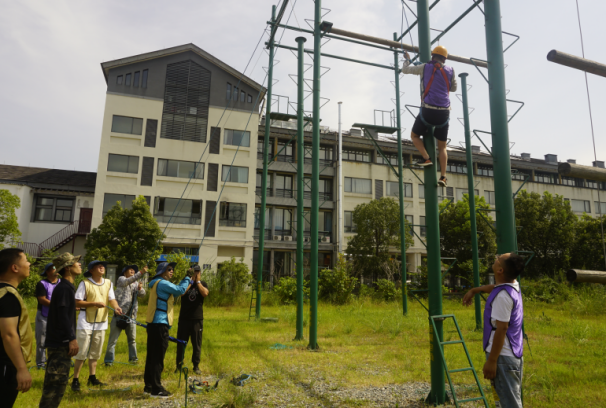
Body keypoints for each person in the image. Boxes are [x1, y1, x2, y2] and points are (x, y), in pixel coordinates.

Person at [462, 253, 525, 408]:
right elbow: (496, 288)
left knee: (509, 404)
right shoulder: (511, 286)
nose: (495, 259)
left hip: (502, 357)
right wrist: (475, 290)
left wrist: (492, 361)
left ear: (500, 270)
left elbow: (502, 328)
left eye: (498, 259)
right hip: (509, 355)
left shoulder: (503, 297)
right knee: (504, 401)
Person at [401, 45, 457, 187]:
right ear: (445, 58)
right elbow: (454, 88)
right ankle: (443, 177)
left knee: (414, 135)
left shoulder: (424, 67)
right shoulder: (450, 70)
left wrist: (407, 60)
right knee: (442, 147)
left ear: (432, 56)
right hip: (444, 113)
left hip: (428, 110)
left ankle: (426, 158)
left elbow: (405, 70)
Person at [72, 260, 122, 391]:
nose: (102, 267)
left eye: (103, 266)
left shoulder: (108, 283)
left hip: (101, 322)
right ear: (91, 270)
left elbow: (111, 299)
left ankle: (92, 378)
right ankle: (75, 380)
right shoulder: (85, 283)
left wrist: (116, 307)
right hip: (85, 322)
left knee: (95, 352)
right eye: (98, 266)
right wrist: (93, 303)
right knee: (81, 352)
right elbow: (77, 302)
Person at [39, 252, 82, 408]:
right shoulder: (64, 288)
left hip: (61, 342)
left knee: (59, 384)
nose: (79, 264)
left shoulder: (67, 287)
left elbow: (62, 312)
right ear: (68, 268)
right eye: (76, 263)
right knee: (54, 386)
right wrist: (71, 338)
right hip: (59, 343)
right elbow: (63, 315)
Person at [144, 262, 191, 398]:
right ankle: (156, 388)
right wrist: (187, 277)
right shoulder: (163, 283)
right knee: (158, 357)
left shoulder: (155, 283)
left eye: (172, 270)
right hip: (160, 324)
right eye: (169, 269)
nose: (172, 271)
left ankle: (148, 386)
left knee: (151, 357)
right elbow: (180, 291)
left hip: (153, 324)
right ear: (162, 271)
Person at [0, 248, 33, 408]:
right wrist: (21, 369)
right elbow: (9, 335)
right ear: (14, 267)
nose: (29, 263)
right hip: (5, 366)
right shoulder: (8, 296)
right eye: (26, 260)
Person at [103, 265, 147, 366]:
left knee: (132, 340)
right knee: (112, 341)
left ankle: (133, 360)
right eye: (130, 269)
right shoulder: (121, 279)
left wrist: (140, 289)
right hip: (119, 315)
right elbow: (129, 280)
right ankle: (109, 362)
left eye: (134, 270)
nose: (132, 271)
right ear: (124, 272)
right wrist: (140, 272)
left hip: (131, 317)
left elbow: (143, 295)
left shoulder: (135, 283)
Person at [176, 265, 209, 374]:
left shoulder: (203, 284)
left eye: (197, 272)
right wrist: (190, 282)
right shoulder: (184, 283)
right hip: (184, 318)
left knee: (196, 343)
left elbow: (205, 293)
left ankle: (196, 366)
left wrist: (198, 282)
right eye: (194, 272)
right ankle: (179, 366)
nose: (196, 274)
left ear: (200, 273)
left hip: (197, 319)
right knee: (181, 343)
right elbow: (182, 293)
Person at [34, 262, 61, 369]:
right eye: (53, 268)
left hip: (58, 316)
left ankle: (54, 361)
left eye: (57, 268)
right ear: (47, 272)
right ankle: (40, 363)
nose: (56, 270)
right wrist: (59, 305)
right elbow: (42, 300)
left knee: (57, 339)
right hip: (44, 315)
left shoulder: (61, 283)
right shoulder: (41, 283)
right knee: (42, 340)